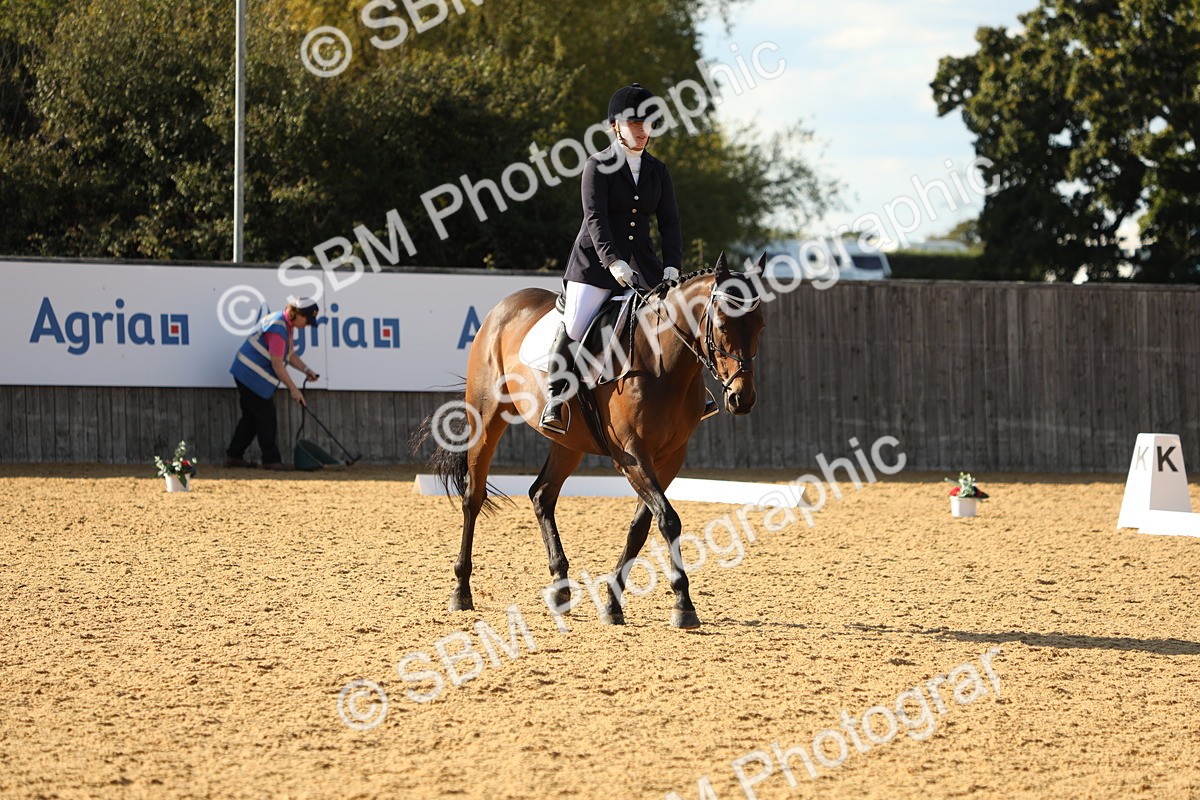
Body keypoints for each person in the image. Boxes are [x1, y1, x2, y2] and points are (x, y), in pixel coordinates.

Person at [540, 82, 684, 434]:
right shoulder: (597, 166)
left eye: (647, 123)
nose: (642, 130)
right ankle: (556, 398)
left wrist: (672, 265)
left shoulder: (658, 171)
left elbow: (670, 222)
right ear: (615, 126)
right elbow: (596, 219)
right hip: (594, 265)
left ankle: (695, 395)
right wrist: (613, 261)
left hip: (645, 267)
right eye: (634, 123)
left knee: (678, 321)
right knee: (575, 323)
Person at [225, 295, 320, 470]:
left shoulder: (285, 324)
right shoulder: (278, 327)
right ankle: (271, 460)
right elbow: (277, 364)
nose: (308, 324)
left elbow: (289, 356)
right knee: (266, 417)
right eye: (308, 319)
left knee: (252, 418)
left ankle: (234, 455)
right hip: (249, 374)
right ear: (297, 314)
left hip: (245, 372)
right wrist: (293, 389)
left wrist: (306, 370)